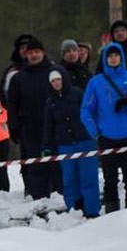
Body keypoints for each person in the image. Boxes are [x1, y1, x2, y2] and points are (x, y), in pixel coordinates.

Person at [81, 43, 127, 212]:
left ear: (121, 56)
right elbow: (86, 110)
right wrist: (95, 133)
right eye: (109, 55)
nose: (113, 58)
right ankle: (112, 219)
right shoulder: (96, 82)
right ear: (105, 59)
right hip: (107, 138)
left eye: (116, 55)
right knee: (110, 181)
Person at [8, 37, 65, 198]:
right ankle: (40, 200)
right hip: (30, 129)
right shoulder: (18, 78)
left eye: (37, 52)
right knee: (36, 167)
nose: (34, 55)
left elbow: (65, 96)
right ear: (26, 55)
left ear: (43, 53)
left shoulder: (55, 72)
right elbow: (12, 104)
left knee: (57, 165)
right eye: (30, 53)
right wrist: (13, 126)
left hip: (54, 127)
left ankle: (60, 198)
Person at [42, 69, 100, 217]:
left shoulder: (78, 93)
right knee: (69, 179)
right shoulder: (50, 102)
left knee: (88, 177)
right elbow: (48, 126)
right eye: (53, 81)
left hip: (85, 141)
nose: (56, 83)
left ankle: (92, 211)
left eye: (58, 79)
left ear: (64, 79)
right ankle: (74, 210)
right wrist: (46, 146)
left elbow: (90, 112)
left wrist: (95, 132)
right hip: (65, 144)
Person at [0, 33, 35, 106]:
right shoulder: (11, 72)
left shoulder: (47, 67)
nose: (25, 50)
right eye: (22, 48)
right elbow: (4, 97)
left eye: (28, 47)